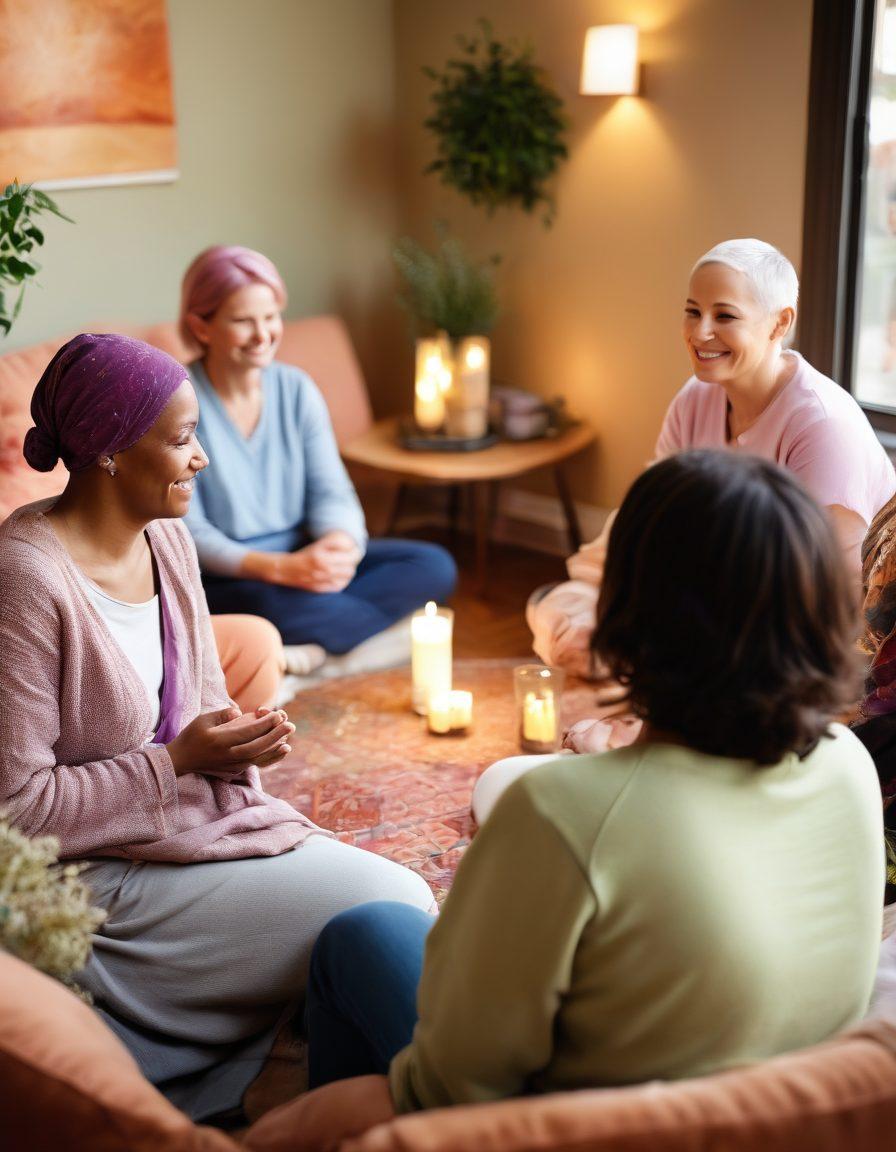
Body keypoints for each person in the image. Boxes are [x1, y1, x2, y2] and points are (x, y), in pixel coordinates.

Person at [304, 450, 884, 1115]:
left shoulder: (558, 812)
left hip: (581, 1128)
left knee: (361, 932)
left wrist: (360, 1105)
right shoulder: (847, 762)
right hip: (782, 1113)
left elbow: (455, 1085)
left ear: (630, 608)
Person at [0, 333, 435, 1123]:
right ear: (107, 452)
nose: (201, 458)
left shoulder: (166, 538)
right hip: (97, 879)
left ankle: (327, 1086)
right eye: (182, 439)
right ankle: (344, 1088)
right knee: (392, 899)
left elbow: (202, 702)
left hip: (191, 830)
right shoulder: (26, 579)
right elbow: (17, 811)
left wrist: (234, 748)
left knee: (389, 914)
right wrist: (175, 763)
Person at [529, 238, 896, 681]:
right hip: (714, 597)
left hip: (803, 631)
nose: (700, 332)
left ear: (780, 323)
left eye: (724, 316)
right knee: (558, 619)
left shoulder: (822, 425)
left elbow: (817, 596)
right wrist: (593, 592)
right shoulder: (695, 399)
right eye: (692, 311)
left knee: (642, 649)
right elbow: (650, 518)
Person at [178, 246, 457, 672]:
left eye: (271, 317)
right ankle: (342, 639)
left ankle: (317, 645)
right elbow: (189, 532)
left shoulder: (296, 389)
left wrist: (339, 546)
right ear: (201, 326)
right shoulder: (177, 402)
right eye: (243, 321)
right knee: (267, 606)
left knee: (434, 565)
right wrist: (281, 569)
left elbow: (332, 491)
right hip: (231, 576)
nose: (263, 335)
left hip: (302, 557)